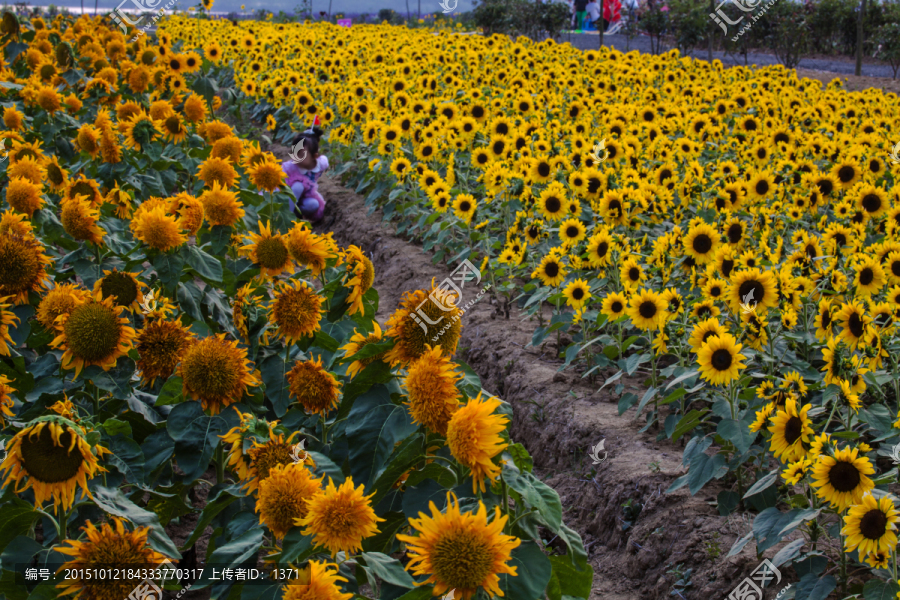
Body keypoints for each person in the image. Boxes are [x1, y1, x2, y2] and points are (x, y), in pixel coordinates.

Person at [282, 123, 329, 223]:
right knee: (298, 186)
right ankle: (287, 218)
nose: (295, 157)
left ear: (314, 156)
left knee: (314, 205)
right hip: (287, 198)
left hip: (305, 198)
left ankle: (297, 213)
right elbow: (278, 182)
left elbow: (325, 160)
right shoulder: (290, 167)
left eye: (301, 154)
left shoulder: (320, 164)